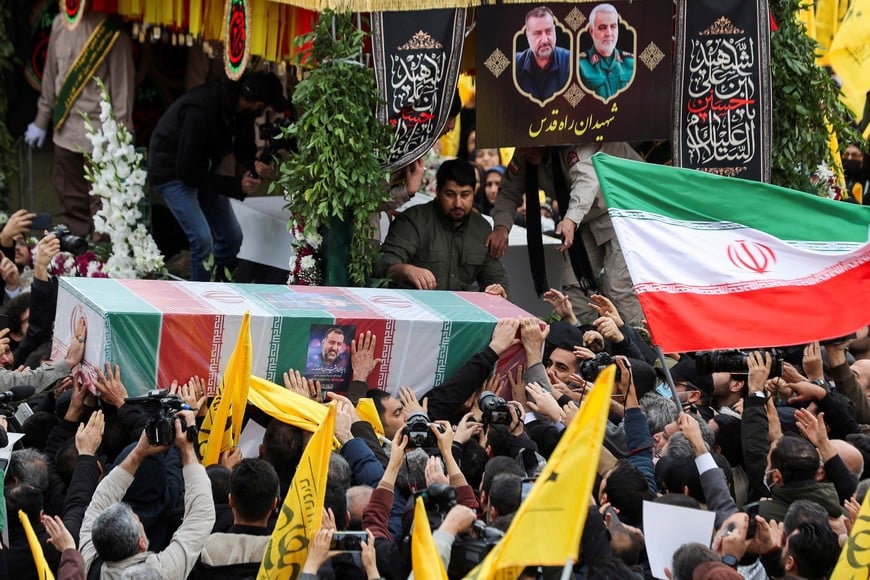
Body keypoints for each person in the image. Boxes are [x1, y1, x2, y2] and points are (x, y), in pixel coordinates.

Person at [148, 71, 289, 281]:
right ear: (258, 104)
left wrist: (257, 164)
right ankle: (200, 298)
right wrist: (236, 185)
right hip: (172, 173)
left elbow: (242, 148)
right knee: (202, 240)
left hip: (201, 170)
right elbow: (186, 171)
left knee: (232, 237)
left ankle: (219, 283)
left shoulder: (242, 111)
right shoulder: (201, 110)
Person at [488, 144, 644, 325]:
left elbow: (587, 179)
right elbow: (508, 191)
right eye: (520, 146)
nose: (522, 151)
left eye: (528, 146)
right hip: (584, 220)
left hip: (625, 210)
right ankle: (587, 342)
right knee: (575, 285)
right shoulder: (526, 150)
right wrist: (501, 227)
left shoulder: (577, 140)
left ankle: (639, 344)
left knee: (618, 286)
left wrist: (571, 219)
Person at [23, 8, 134, 239]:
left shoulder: (112, 32)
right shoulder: (59, 24)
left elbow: (122, 95)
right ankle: (79, 260)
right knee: (70, 205)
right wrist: (41, 120)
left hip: (100, 139)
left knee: (104, 210)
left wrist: (123, 141)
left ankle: (102, 265)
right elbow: (51, 79)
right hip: (65, 133)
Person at [78, 410, 215, 579]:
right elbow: (201, 516)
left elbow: (101, 499)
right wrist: (187, 450)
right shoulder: (161, 573)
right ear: (142, 543)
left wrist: (139, 453)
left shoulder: (87, 561)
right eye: (137, 521)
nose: (137, 516)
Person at [375, 158, 510, 294]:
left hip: (460, 310)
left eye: (465, 195)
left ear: (474, 193)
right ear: (438, 192)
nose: (458, 203)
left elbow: (496, 279)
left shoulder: (482, 229)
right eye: (450, 194)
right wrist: (405, 270)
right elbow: (383, 263)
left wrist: (499, 293)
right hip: (413, 308)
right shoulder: (413, 220)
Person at [578, 3, 635, 101]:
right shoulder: (579, 65)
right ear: (591, 31)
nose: (609, 33)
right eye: (602, 27)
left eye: (613, 26)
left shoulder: (632, 63)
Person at [515, 6, 571, 101]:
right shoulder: (515, 63)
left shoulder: (571, 60)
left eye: (549, 31)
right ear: (527, 35)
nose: (545, 40)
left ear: (554, 30)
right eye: (537, 33)